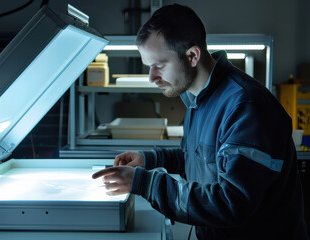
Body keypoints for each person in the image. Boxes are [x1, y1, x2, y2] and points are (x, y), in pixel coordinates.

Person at [92, 4, 308, 239]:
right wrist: (148, 159)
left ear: (193, 56)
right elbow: (195, 158)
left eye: (159, 65)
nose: (151, 77)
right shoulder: (198, 99)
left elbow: (231, 203)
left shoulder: (245, 106)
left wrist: (144, 183)